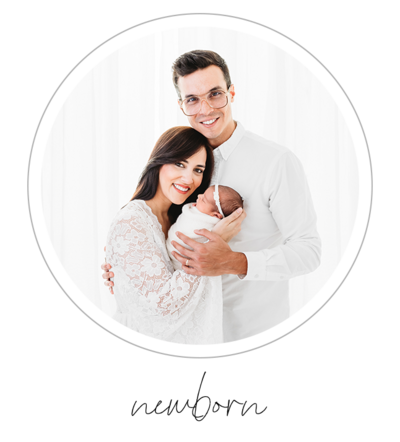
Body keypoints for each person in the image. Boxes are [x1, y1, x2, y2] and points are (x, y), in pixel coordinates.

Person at [102, 50, 321, 342]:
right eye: (192, 99)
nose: (205, 109)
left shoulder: (276, 162)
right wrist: (129, 270)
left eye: (215, 94)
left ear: (231, 93)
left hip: (250, 333)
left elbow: (309, 252)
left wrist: (234, 262)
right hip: (184, 335)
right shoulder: (179, 162)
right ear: (181, 105)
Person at [105, 126, 243, 344]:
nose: (189, 178)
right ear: (160, 161)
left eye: (198, 170)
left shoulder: (184, 219)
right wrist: (213, 245)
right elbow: (163, 306)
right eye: (180, 164)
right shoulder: (132, 221)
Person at [166, 184, 244, 271]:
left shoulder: (210, 226)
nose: (199, 196)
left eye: (203, 200)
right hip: (170, 250)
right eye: (202, 194)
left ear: (215, 215)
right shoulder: (198, 211)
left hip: (180, 262)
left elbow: (205, 243)